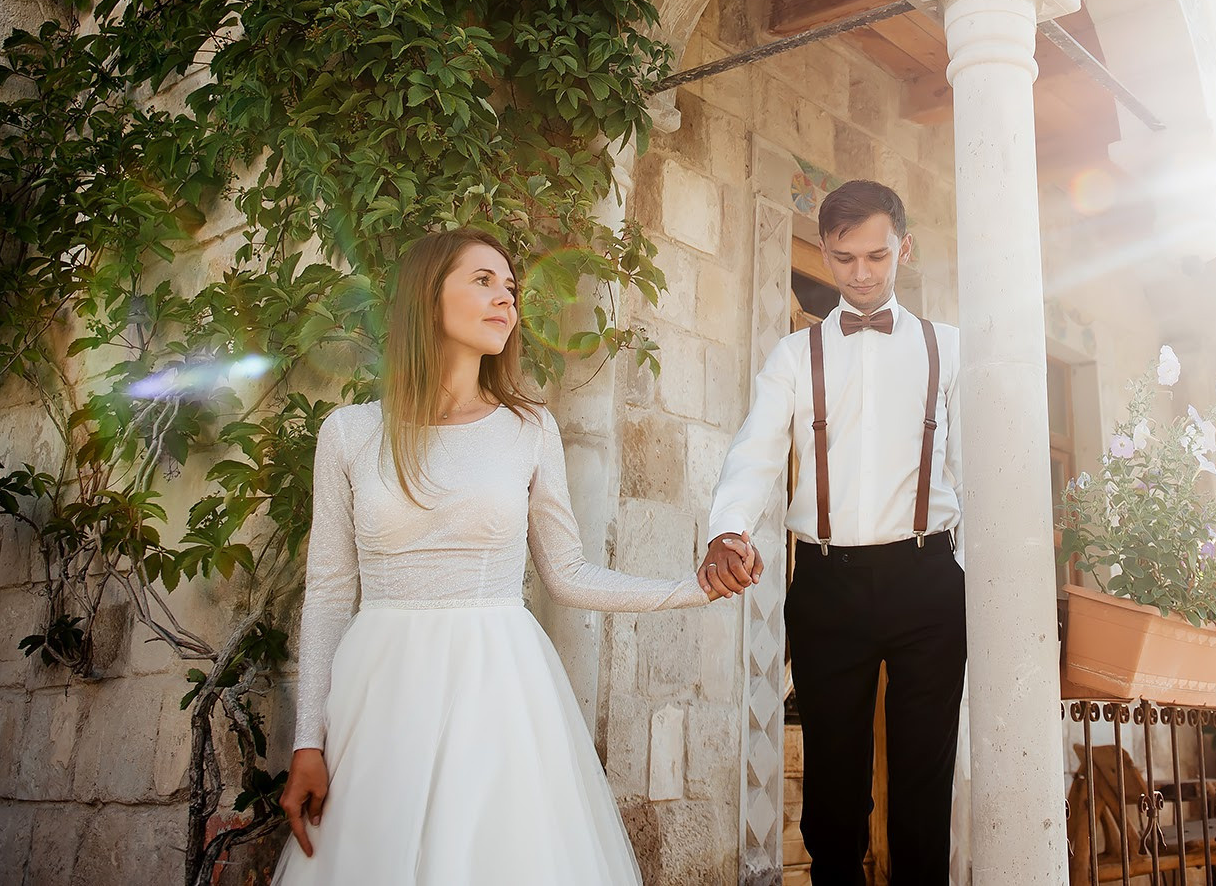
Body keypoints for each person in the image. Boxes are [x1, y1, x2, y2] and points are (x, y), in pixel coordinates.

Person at [274, 227, 710, 884]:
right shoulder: (349, 433)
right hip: (380, 694)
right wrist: (308, 741)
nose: (505, 298)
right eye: (483, 280)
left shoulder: (529, 427)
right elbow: (331, 595)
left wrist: (690, 586)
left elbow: (565, 573)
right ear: (428, 295)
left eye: (510, 286)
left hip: (498, 690)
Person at [698, 180, 966, 886]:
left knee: (922, 787)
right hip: (828, 583)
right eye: (845, 257)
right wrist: (728, 528)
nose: (862, 272)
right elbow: (756, 451)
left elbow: (972, 472)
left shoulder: (951, 350)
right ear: (825, 251)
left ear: (904, 247)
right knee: (833, 796)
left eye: (877, 254)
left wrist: (967, 568)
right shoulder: (794, 355)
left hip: (929, 581)